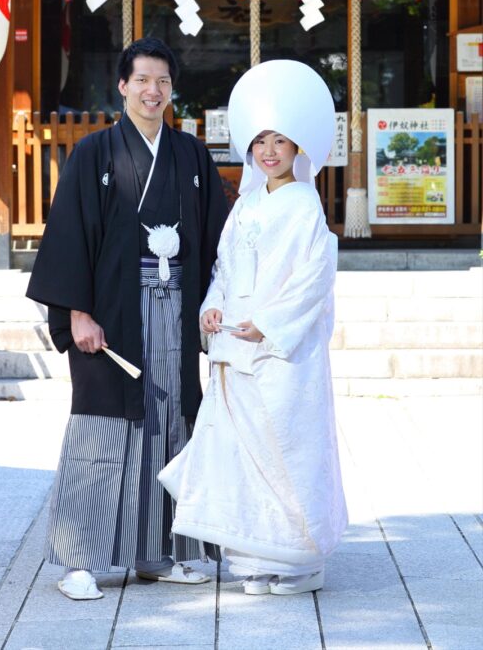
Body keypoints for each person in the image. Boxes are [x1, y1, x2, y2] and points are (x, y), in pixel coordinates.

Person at [27, 37, 228, 600]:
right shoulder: (94, 153)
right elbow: (68, 236)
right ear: (122, 86)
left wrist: (220, 304)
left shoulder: (189, 157)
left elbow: (218, 239)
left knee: (173, 422)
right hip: (112, 315)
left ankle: (158, 552)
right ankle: (80, 561)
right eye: (142, 79)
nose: (152, 90)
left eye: (162, 81)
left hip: (176, 310)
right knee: (102, 427)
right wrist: (76, 312)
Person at [159, 60, 348, 596]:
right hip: (233, 347)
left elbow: (313, 281)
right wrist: (212, 309)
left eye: (280, 141)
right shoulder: (243, 205)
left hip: (279, 351)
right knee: (241, 456)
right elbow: (224, 269)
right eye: (261, 140)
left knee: (285, 450)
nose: (269, 151)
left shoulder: (306, 206)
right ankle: (252, 559)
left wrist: (266, 325)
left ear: (297, 149)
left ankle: (300, 561)